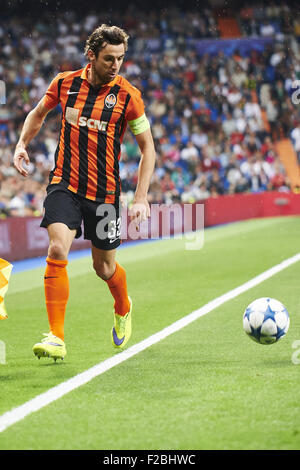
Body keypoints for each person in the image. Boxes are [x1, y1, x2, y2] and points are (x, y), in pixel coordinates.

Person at [13, 24, 156, 361]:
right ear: (91, 55)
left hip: (106, 194)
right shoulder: (64, 84)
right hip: (65, 184)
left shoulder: (128, 97)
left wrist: (140, 197)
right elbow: (38, 114)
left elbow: (148, 149)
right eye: (109, 58)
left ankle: (123, 305)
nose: (116, 65)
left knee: (104, 268)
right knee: (58, 248)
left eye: (121, 58)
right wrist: (22, 144)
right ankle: (56, 337)